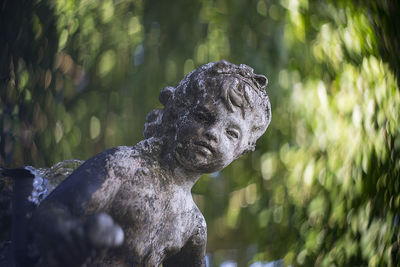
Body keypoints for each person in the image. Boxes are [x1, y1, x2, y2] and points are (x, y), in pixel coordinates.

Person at [30, 60, 271, 267]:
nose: (212, 133)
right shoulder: (124, 165)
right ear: (177, 114)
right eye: (202, 117)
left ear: (240, 152)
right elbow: (51, 211)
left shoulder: (193, 227)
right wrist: (72, 235)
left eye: (231, 134)